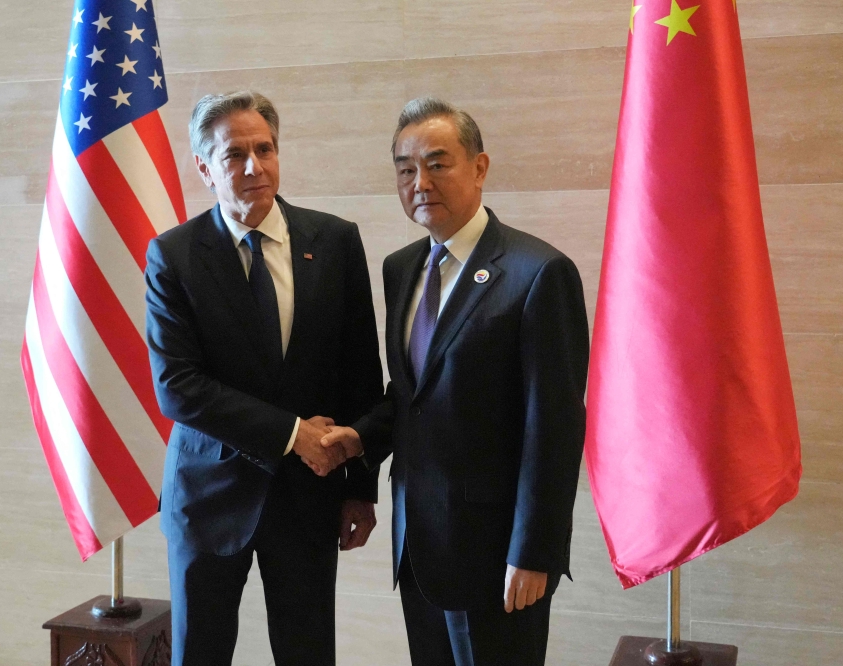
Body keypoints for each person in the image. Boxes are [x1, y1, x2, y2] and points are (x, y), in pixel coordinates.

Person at [321, 97, 590, 666]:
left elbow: (555, 427)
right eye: (405, 168)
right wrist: (363, 438)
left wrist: (534, 551)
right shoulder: (402, 268)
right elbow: (413, 396)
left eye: (437, 163)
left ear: (480, 167)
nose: (420, 182)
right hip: (418, 545)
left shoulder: (537, 273)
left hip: (498, 556)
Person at [145, 91, 384, 666]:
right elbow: (178, 386)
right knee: (200, 653)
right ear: (204, 167)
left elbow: (359, 373)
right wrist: (290, 432)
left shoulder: (335, 241)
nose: (254, 167)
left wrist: (359, 486)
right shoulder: (173, 256)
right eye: (234, 155)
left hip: (308, 494)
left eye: (266, 149)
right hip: (208, 496)